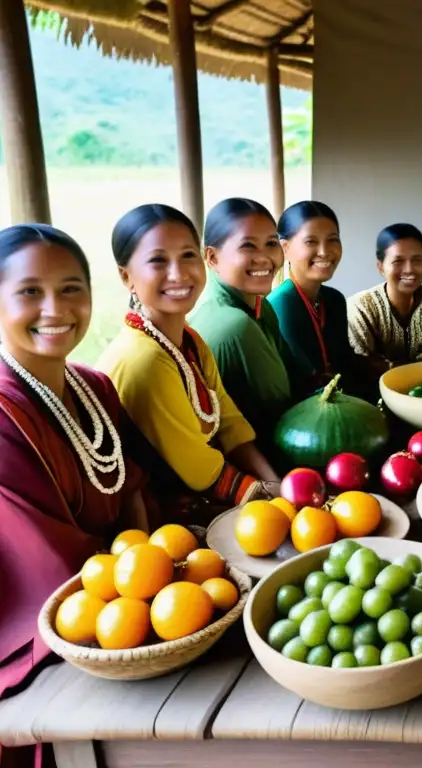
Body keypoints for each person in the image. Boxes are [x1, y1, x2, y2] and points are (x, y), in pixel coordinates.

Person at [0, 225, 150, 709]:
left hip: (129, 591)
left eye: (71, 289)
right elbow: (43, 563)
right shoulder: (5, 412)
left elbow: (131, 491)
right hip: (57, 619)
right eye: (29, 292)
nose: (55, 309)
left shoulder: (95, 387)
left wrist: (148, 572)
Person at [97, 204, 279, 524]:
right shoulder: (143, 358)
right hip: (156, 524)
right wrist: (273, 500)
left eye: (187, 256)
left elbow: (231, 424)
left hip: (200, 497)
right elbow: (200, 471)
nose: (178, 273)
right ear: (126, 276)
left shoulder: (189, 341)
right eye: (158, 260)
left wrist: (275, 483)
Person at [189, 198, 303, 465]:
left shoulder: (261, 306)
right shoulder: (235, 325)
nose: (264, 257)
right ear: (212, 257)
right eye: (247, 246)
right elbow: (287, 414)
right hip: (250, 465)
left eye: (271, 244)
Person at [267, 201, 354, 392]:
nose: (324, 252)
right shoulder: (279, 306)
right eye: (311, 242)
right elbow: (300, 381)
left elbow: (347, 364)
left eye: (332, 240)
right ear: (285, 248)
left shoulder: (334, 299)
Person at [348, 223, 422, 376]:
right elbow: (359, 366)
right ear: (381, 267)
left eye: (417, 260)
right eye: (398, 261)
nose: (409, 269)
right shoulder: (361, 307)